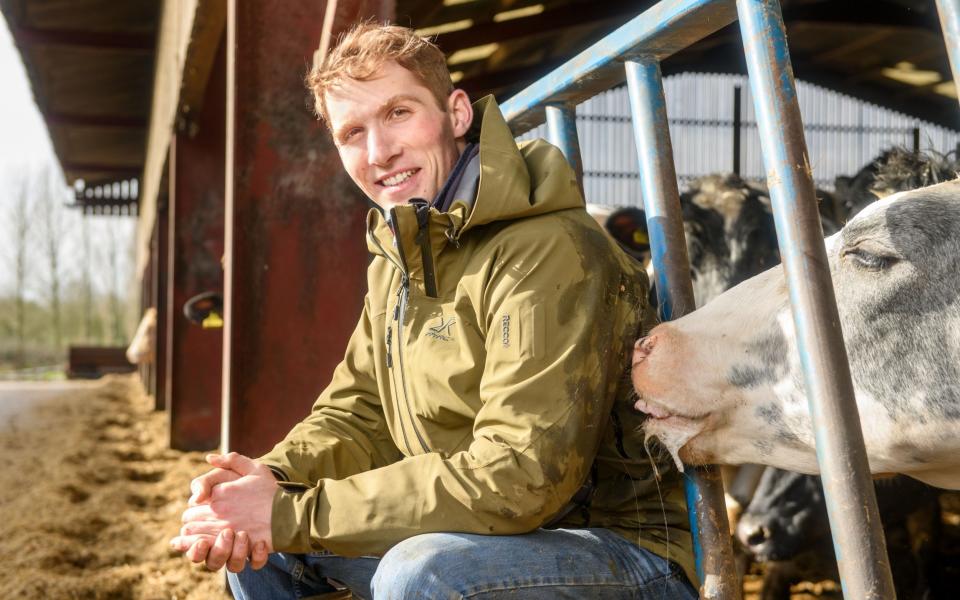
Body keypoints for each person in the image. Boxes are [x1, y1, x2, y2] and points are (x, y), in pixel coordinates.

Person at [170, 22, 697, 600]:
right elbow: (359, 413)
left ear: (457, 113)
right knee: (263, 553)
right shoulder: (400, 256)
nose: (380, 151)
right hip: (492, 536)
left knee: (422, 572)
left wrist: (290, 513)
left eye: (399, 112)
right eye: (352, 132)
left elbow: (520, 477)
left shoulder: (545, 251)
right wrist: (267, 482)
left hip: (622, 551)